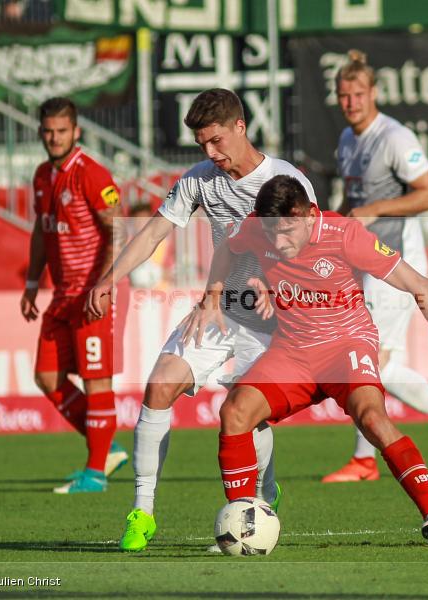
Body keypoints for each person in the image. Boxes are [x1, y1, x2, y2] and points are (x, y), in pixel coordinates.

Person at [187, 175, 428, 544]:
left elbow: (420, 286)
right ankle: (244, 523)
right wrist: (213, 294)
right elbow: (228, 247)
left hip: (346, 347)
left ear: (308, 215)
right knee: (234, 413)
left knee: (372, 418)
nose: (278, 242)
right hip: (293, 350)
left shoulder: (344, 234)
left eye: (287, 231)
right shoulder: (259, 227)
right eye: (272, 234)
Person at [85, 89, 316, 552]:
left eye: (216, 141)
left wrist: (277, 284)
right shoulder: (199, 180)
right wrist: (111, 278)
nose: (210, 153)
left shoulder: (287, 180)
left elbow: (310, 244)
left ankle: (256, 503)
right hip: (220, 307)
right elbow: (153, 231)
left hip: (275, 317)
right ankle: (142, 514)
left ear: (240, 127)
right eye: (202, 145)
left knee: (246, 415)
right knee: (159, 384)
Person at [323, 50, 428, 482]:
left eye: (358, 94)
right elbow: (352, 202)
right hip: (364, 260)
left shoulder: (395, 138)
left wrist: (376, 209)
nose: (351, 102)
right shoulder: (347, 140)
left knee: (371, 362)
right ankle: (369, 456)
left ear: (374, 92)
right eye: (344, 95)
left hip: (397, 260)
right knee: (366, 358)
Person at [20, 97, 128, 495]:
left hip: (92, 295)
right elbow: (41, 230)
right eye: (48, 131)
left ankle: (95, 473)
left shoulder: (91, 174)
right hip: (62, 295)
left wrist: (103, 285)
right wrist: (33, 282)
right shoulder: (42, 175)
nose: (54, 138)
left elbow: (118, 230)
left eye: (61, 131)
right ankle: (106, 448)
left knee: (96, 380)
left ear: (75, 131)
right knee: (46, 377)